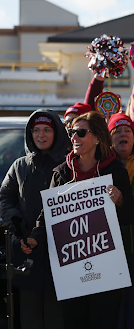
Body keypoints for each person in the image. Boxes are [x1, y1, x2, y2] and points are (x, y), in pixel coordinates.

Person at [25, 111, 134, 329]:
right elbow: (47, 214)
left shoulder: (116, 172)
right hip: (72, 269)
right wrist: (35, 237)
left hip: (106, 269)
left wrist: (120, 200)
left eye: (81, 132)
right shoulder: (61, 173)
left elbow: (129, 216)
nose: (74, 137)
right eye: (71, 132)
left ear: (97, 138)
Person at [0, 110, 69, 329]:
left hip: (63, 256)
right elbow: (5, 198)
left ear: (56, 133)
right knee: (29, 318)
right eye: (36, 130)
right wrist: (17, 229)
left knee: (58, 317)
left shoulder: (69, 166)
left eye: (47, 130)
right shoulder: (20, 167)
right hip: (27, 254)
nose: (41, 135)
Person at [108, 113, 134, 329]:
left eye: (127, 131)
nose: (123, 135)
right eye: (116, 131)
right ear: (108, 138)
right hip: (111, 252)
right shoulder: (102, 166)